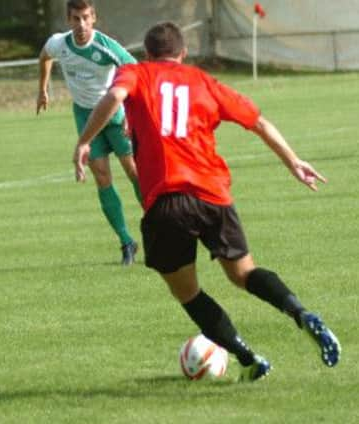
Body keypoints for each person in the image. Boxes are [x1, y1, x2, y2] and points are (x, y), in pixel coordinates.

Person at [73, 22, 341, 380]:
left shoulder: (134, 72)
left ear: (148, 55)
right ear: (182, 54)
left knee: (188, 292)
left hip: (167, 201)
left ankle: (248, 358)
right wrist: (293, 161)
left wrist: (84, 141)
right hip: (213, 195)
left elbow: (115, 97)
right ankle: (301, 313)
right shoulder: (203, 81)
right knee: (244, 273)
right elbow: (258, 122)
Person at [37, 0, 141, 265]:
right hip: (84, 117)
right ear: (68, 20)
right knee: (103, 178)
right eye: (75, 18)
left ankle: (160, 230)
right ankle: (126, 242)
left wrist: (132, 113)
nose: (81, 24)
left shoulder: (107, 47)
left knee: (134, 173)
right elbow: (44, 57)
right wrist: (43, 89)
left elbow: (137, 74)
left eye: (85, 17)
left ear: (94, 17)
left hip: (115, 116)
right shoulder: (59, 43)